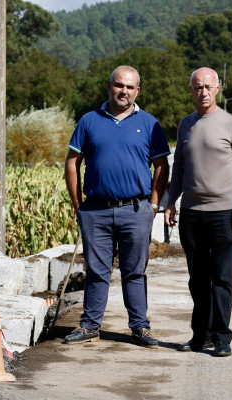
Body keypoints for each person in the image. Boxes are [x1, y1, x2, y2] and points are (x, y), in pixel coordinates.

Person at [63, 65, 171, 347]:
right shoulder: (89, 121)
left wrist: (154, 205)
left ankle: (139, 327)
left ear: (138, 90)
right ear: (109, 86)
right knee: (96, 271)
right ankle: (89, 325)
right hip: (95, 210)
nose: (123, 91)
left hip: (136, 210)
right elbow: (72, 163)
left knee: (134, 271)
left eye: (129, 87)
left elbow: (162, 166)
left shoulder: (149, 124)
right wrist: (79, 206)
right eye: (119, 85)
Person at [164, 67, 232, 358]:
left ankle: (222, 337)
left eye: (208, 86)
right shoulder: (185, 125)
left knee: (222, 277)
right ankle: (200, 336)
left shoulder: (231, 124)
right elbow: (179, 167)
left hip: (224, 215)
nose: (202, 92)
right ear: (191, 90)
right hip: (192, 215)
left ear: (217, 89)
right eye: (197, 87)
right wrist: (171, 201)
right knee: (198, 279)